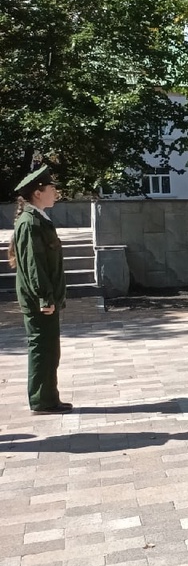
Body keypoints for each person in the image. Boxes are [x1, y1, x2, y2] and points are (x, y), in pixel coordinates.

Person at [9, 165, 70, 414]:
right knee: (42, 349)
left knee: (49, 349)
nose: (55, 191)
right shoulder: (31, 223)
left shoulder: (39, 220)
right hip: (39, 300)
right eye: (51, 188)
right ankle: (42, 400)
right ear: (37, 192)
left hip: (45, 298)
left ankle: (48, 397)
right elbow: (35, 264)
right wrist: (45, 297)